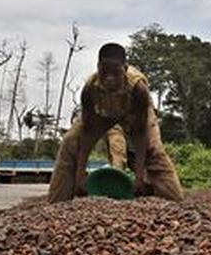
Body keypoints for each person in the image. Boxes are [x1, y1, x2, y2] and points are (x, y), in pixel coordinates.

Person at [48, 43, 183, 203]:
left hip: (133, 114)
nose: (109, 78)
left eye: (115, 73)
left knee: (154, 149)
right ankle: (58, 201)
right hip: (102, 113)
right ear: (98, 67)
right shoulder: (90, 89)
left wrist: (139, 177)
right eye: (104, 72)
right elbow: (87, 134)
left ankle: (172, 199)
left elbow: (141, 135)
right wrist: (80, 175)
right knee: (70, 141)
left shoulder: (139, 89)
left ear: (125, 69)